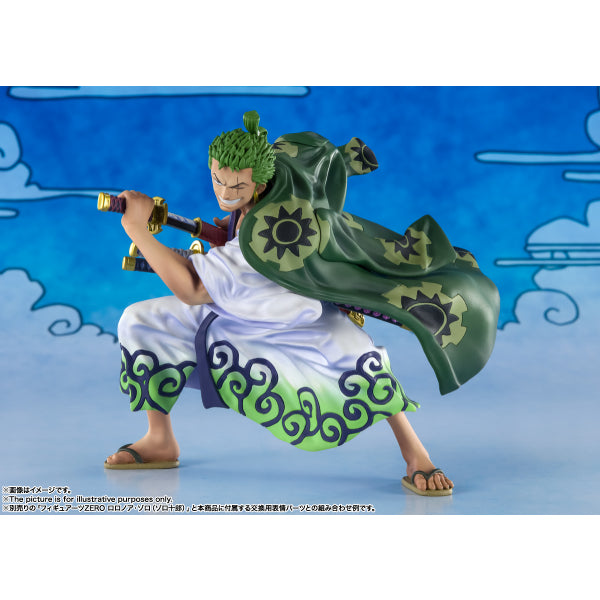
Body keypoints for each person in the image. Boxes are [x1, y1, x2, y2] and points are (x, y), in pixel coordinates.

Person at [105, 111, 500, 496]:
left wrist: (137, 228)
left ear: (261, 182)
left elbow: (192, 288)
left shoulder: (267, 232)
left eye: (237, 187)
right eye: (217, 180)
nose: (225, 194)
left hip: (297, 320)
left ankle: (416, 455)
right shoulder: (277, 176)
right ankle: (160, 439)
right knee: (141, 320)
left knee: (364, 365)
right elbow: (308, 167)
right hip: (235, 309)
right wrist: (223, 228)